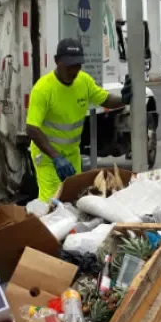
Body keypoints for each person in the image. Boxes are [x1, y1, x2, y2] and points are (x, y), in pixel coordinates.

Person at [26, 39, 131, 202]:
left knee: (74, 198)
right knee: (53, 202)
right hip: (48, 156)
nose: (74, 71)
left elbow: (104, 99)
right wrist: (55, 157)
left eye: (77, 65)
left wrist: (124, 99)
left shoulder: (84, 81)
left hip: (72, 154)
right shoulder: (43, 89)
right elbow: (32, 128)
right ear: (57, 61)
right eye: (69, 66)